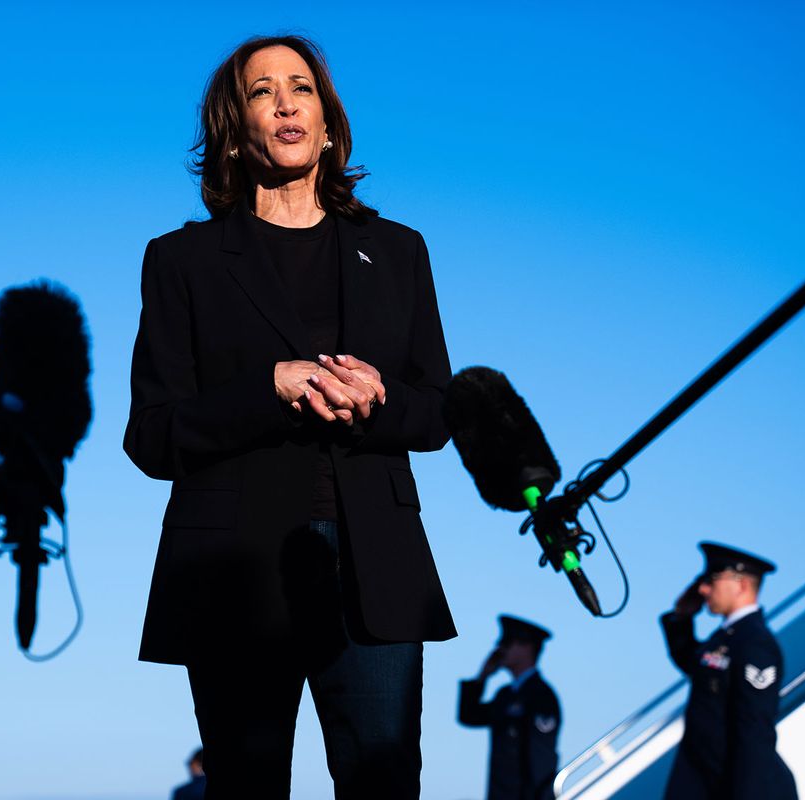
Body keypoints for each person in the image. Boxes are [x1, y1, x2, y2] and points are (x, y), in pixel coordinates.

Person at [123, 34, 455, 799]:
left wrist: (377, 395)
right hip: (235, 569)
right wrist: (268, 386)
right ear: (235, 128)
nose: (283, 102)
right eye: (260, 90)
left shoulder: (400, 251)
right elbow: (152, 435)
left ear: (328, 122)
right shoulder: (181, 261)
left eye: (300, 87)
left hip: (376, 565)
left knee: (384, 783)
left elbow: (436, 411)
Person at [660, 542, 798, 800]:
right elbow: (695, 665)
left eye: (711, 580)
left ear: (742, 585)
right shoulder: (726, 638)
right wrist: (681, 617)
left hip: (732, 787)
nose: (702, 589)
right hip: (705, 780)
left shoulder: (755, 643)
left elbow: (754, 732)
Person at [457, 615, 561, 800]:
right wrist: (482, 677)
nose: (500, 650)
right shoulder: (505, 695)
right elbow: (469, 716)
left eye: (507, 643)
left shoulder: (541, 696)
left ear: (527, 647)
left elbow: (540, 760)